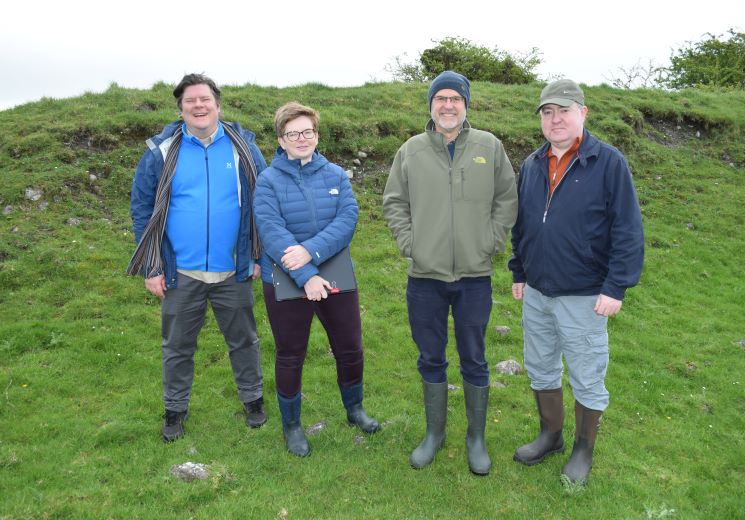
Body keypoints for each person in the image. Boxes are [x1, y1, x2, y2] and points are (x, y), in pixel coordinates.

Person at [508, 79, 644, 485]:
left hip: (585, 294)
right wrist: (519, 270)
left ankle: (583, 450)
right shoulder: (532, 164)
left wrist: (616, 286)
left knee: (586, 372)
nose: (555, 119)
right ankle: (550, 436)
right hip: (537, 291)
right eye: (547, 112)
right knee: (540, 366)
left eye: (563, 111)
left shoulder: (608, 163)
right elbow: (523, 224)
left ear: (582, 113)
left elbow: (628, 229)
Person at [383, 71, 517, 475]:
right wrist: (412, 245)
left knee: (474, 358)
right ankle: (434, 434)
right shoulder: (411, 150)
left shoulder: (489, 147)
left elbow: (507, 198)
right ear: (430, 105)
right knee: (431, 356)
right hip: (425, 277)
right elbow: (393, 203)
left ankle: (476, 438)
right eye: (440, 98)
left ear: (466, 104)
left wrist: (490, 242)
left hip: (474, 277)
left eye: (454, 99)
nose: (447, 105)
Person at [128, 73, 268, 442]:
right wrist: (152, 266)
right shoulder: (160, 152)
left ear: (218, 105)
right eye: (190, 101)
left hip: (233, 270)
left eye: (205, 99)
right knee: (177, 347)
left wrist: (257, 256)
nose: (199, 106)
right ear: (181, 108)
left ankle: (253, 401)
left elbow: (263, 203)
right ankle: (174, 411)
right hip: (180, 272)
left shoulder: (243, 148)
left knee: (244, 342)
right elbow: (143, 208)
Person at [253, 101, 380, 457]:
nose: (302, 138)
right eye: (293, 134)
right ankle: (292, 426)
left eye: (308, 131)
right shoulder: (267, 181)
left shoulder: (336, 174)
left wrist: (309, 253)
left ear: (317, 134)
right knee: (291, 354)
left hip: (334, 268)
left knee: (350, 347)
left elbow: (347, 220)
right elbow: (272, 231)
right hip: (285, 274)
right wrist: (306, 274)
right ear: (281, 140)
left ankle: (354, 410)